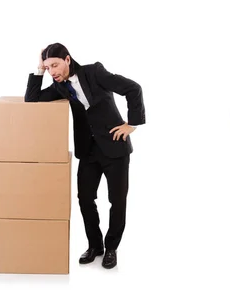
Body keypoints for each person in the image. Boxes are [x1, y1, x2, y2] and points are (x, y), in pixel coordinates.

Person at [24, 43, 145, 269]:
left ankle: (111, 248)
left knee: (117, 201)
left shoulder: (94, 72)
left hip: (114, 147)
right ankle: (95, 245)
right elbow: (32, 99)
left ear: (68, 60)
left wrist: (132, 124)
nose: (53, 72)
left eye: (55, 65)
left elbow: (133, 88)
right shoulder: (59, 87)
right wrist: (38, 69)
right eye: (48, 67)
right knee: (85, 199)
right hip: (88, 151)